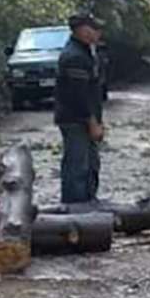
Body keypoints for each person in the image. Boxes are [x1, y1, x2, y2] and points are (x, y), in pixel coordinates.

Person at [55, 11, 105, 205]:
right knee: (77, 167)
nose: (99, 33)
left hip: (85, 119)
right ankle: (74, 209)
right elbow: (79, 96)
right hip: (76, 120)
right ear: (83, 30)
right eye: (95, 28)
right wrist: (92, 122)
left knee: (91, 164)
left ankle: (89, 203)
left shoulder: (85, 52)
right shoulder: (74, 56)